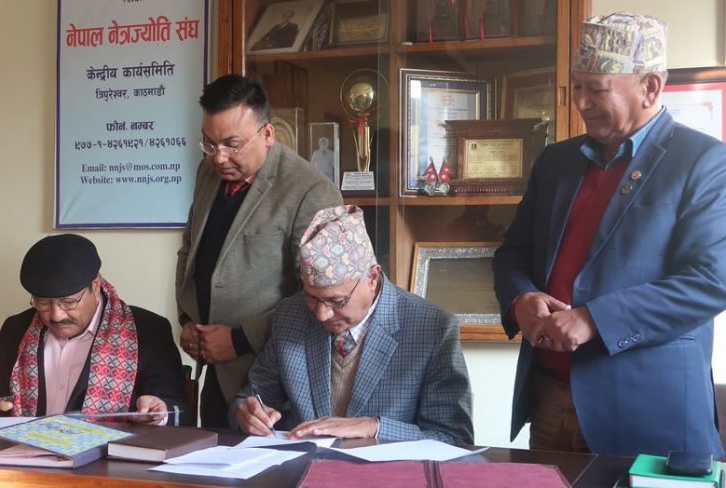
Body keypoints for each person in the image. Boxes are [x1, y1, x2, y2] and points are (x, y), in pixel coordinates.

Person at [492, 12, 726, 457]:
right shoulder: (555, 162)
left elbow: (712, 281)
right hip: (549, 400)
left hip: (647, 413)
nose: (581, 102)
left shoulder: (706, 162)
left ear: (650, 87)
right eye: (576, 86)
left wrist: (594, 319)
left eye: (596, 89)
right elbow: (512, 253)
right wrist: (520, 298)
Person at [176, 74, 342, 428]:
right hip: (215, 372)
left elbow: (318, 294)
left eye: (231, 144)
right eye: (209, 143)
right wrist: (188, 319)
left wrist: (238, 339)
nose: (219, 157)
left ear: (267, 134)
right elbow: (190, 249)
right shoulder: (207, 173)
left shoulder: (311, 191)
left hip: (275, 384)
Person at [232, 205, 473, 445]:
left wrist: (373, 427)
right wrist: (246, 413)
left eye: (337, 300)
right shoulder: (290, 315)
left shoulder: (433, 328)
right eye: (311, 297)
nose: (322, 314)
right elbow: (251, 397)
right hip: (303, 464)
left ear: (372, 278)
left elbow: (454, 438)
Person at [0, 234, 191, 426]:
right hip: (23, 454)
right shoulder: (17, 329)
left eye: (69, 302)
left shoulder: (147, 331)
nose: (56, 315)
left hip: (107, 458)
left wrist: (159, 412)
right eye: (43, 303)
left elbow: (179, 411)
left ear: (95, 286)